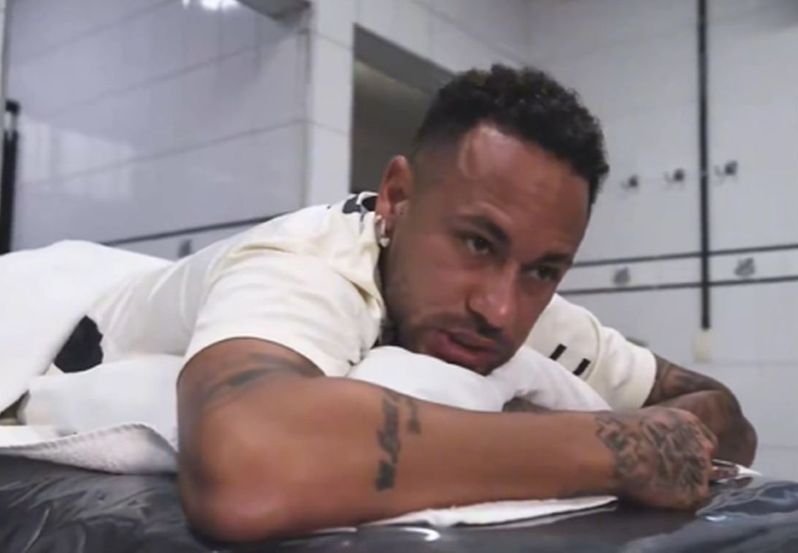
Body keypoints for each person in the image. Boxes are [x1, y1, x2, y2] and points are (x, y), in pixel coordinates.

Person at [42, 65, 756, 540]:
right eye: (476, 243)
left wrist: (672, 429)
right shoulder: (305, 263)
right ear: (396, 197)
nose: (501, 310)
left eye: (544, 270)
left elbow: (721, 413)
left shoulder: (532, 309)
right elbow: (246, 466)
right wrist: (617, 448)